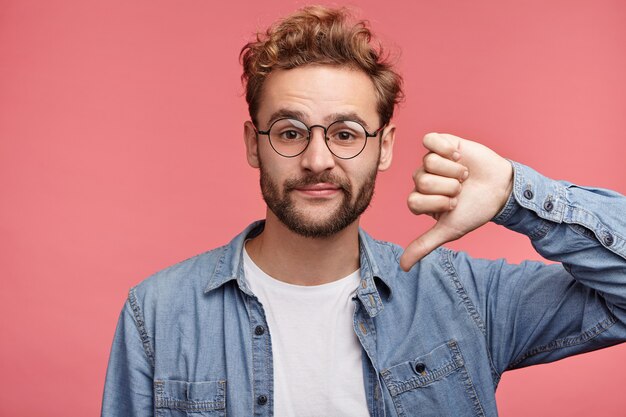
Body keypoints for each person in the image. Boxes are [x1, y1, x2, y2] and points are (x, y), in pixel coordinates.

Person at [101, 6, 626, 417]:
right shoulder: (158, 314)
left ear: (385, 146)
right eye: (289, 132)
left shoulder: (465, 299)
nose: (317, 159)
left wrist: (516, 196)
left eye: (346, 134)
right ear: (253, 144)